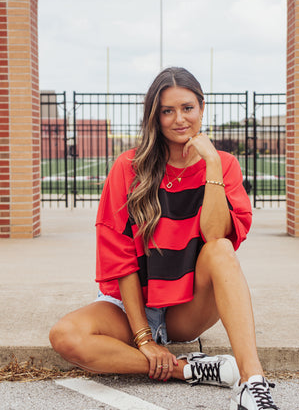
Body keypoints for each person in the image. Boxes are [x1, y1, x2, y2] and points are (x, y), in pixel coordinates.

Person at [49, 67, 279, 410]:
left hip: (185, 306)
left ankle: (252, 382)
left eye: (187, 108)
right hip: (130, 306)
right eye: (167, 111)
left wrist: (212, 166)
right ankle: (187, 369)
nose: (179, 119)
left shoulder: (224, 164)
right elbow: (121, 256)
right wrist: (144, 339)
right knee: (65, 336)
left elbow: (216, 235)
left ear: (202, 107)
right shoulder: (128, 167)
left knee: (220, 250)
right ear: (155, 118)